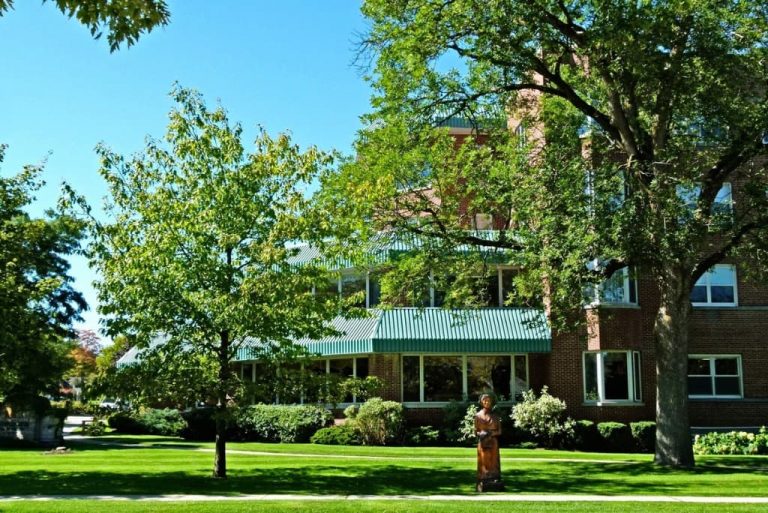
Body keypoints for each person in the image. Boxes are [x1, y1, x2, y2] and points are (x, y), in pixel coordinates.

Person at [475, 393, 504, 492]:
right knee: (484, 460)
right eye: (485, 400)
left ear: (491, 402)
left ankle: (494, 478)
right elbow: (476, 431)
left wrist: (491, 433)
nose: (487, 402)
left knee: (494, 461)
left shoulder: (495, 417)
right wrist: (481, 433)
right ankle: (484, 479)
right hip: (483, 441)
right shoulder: (478, 416)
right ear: (481, 402)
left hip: (493, 442)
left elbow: (499, 431)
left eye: (488, 400)